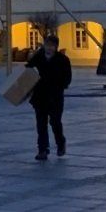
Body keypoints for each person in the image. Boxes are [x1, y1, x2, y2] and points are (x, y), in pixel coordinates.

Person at [26, 33, 73, 161]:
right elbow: (27, 72)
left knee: (55, 122)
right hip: (39, 97)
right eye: (47, 45)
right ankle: (43, 150)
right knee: (41, 124)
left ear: (56, 47)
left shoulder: (63, 60)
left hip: (55, 97)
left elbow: (67, 78)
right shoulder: (37, 57)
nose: (49, 48)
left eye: (52, 46)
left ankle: (60, 143)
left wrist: (59, 85)